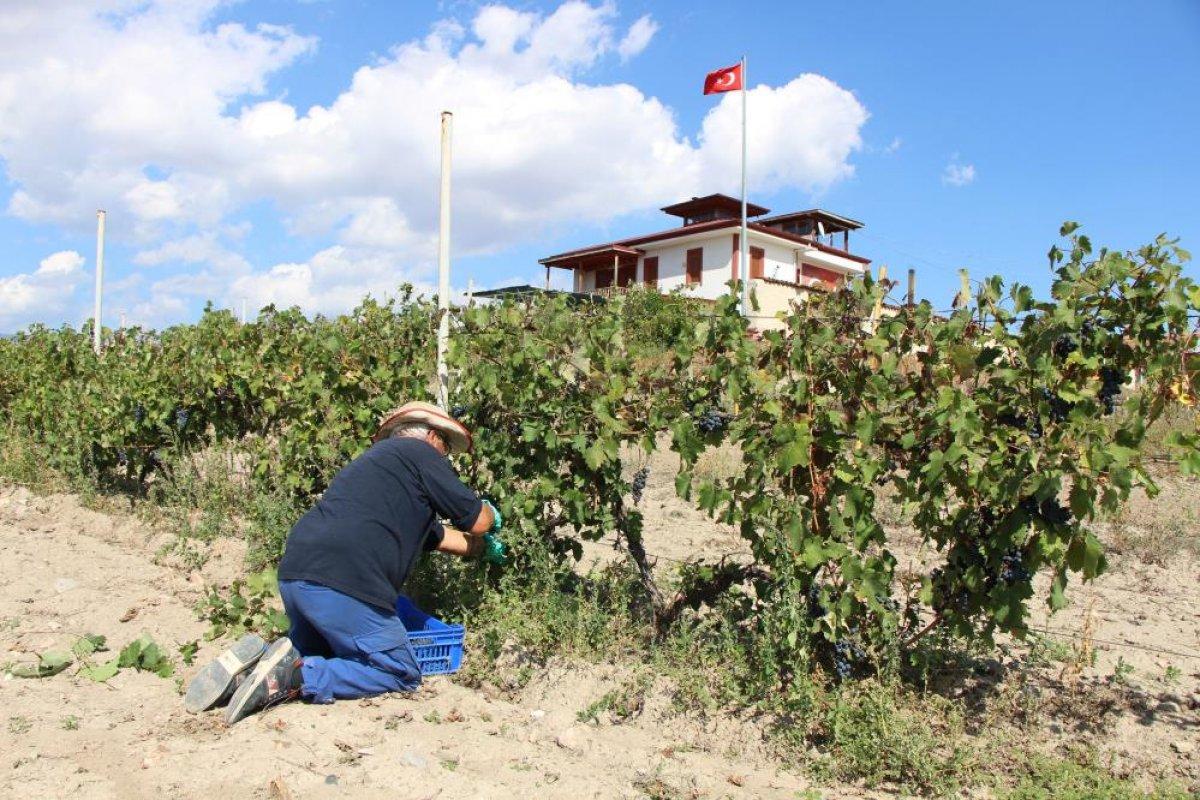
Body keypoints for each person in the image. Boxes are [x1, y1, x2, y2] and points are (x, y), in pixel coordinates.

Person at [182, 401, 505, 724]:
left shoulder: (378, 472)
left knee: (317, 652)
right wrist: (490, 514)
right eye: (446, 446)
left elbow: (443, 538)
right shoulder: (422, 454)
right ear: (433, 436)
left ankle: (252, 669)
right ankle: (296, 680)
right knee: (401, 671)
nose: (445, 455)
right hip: (347, 582)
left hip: (298, 573)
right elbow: (477, 520)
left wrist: (482, 549)